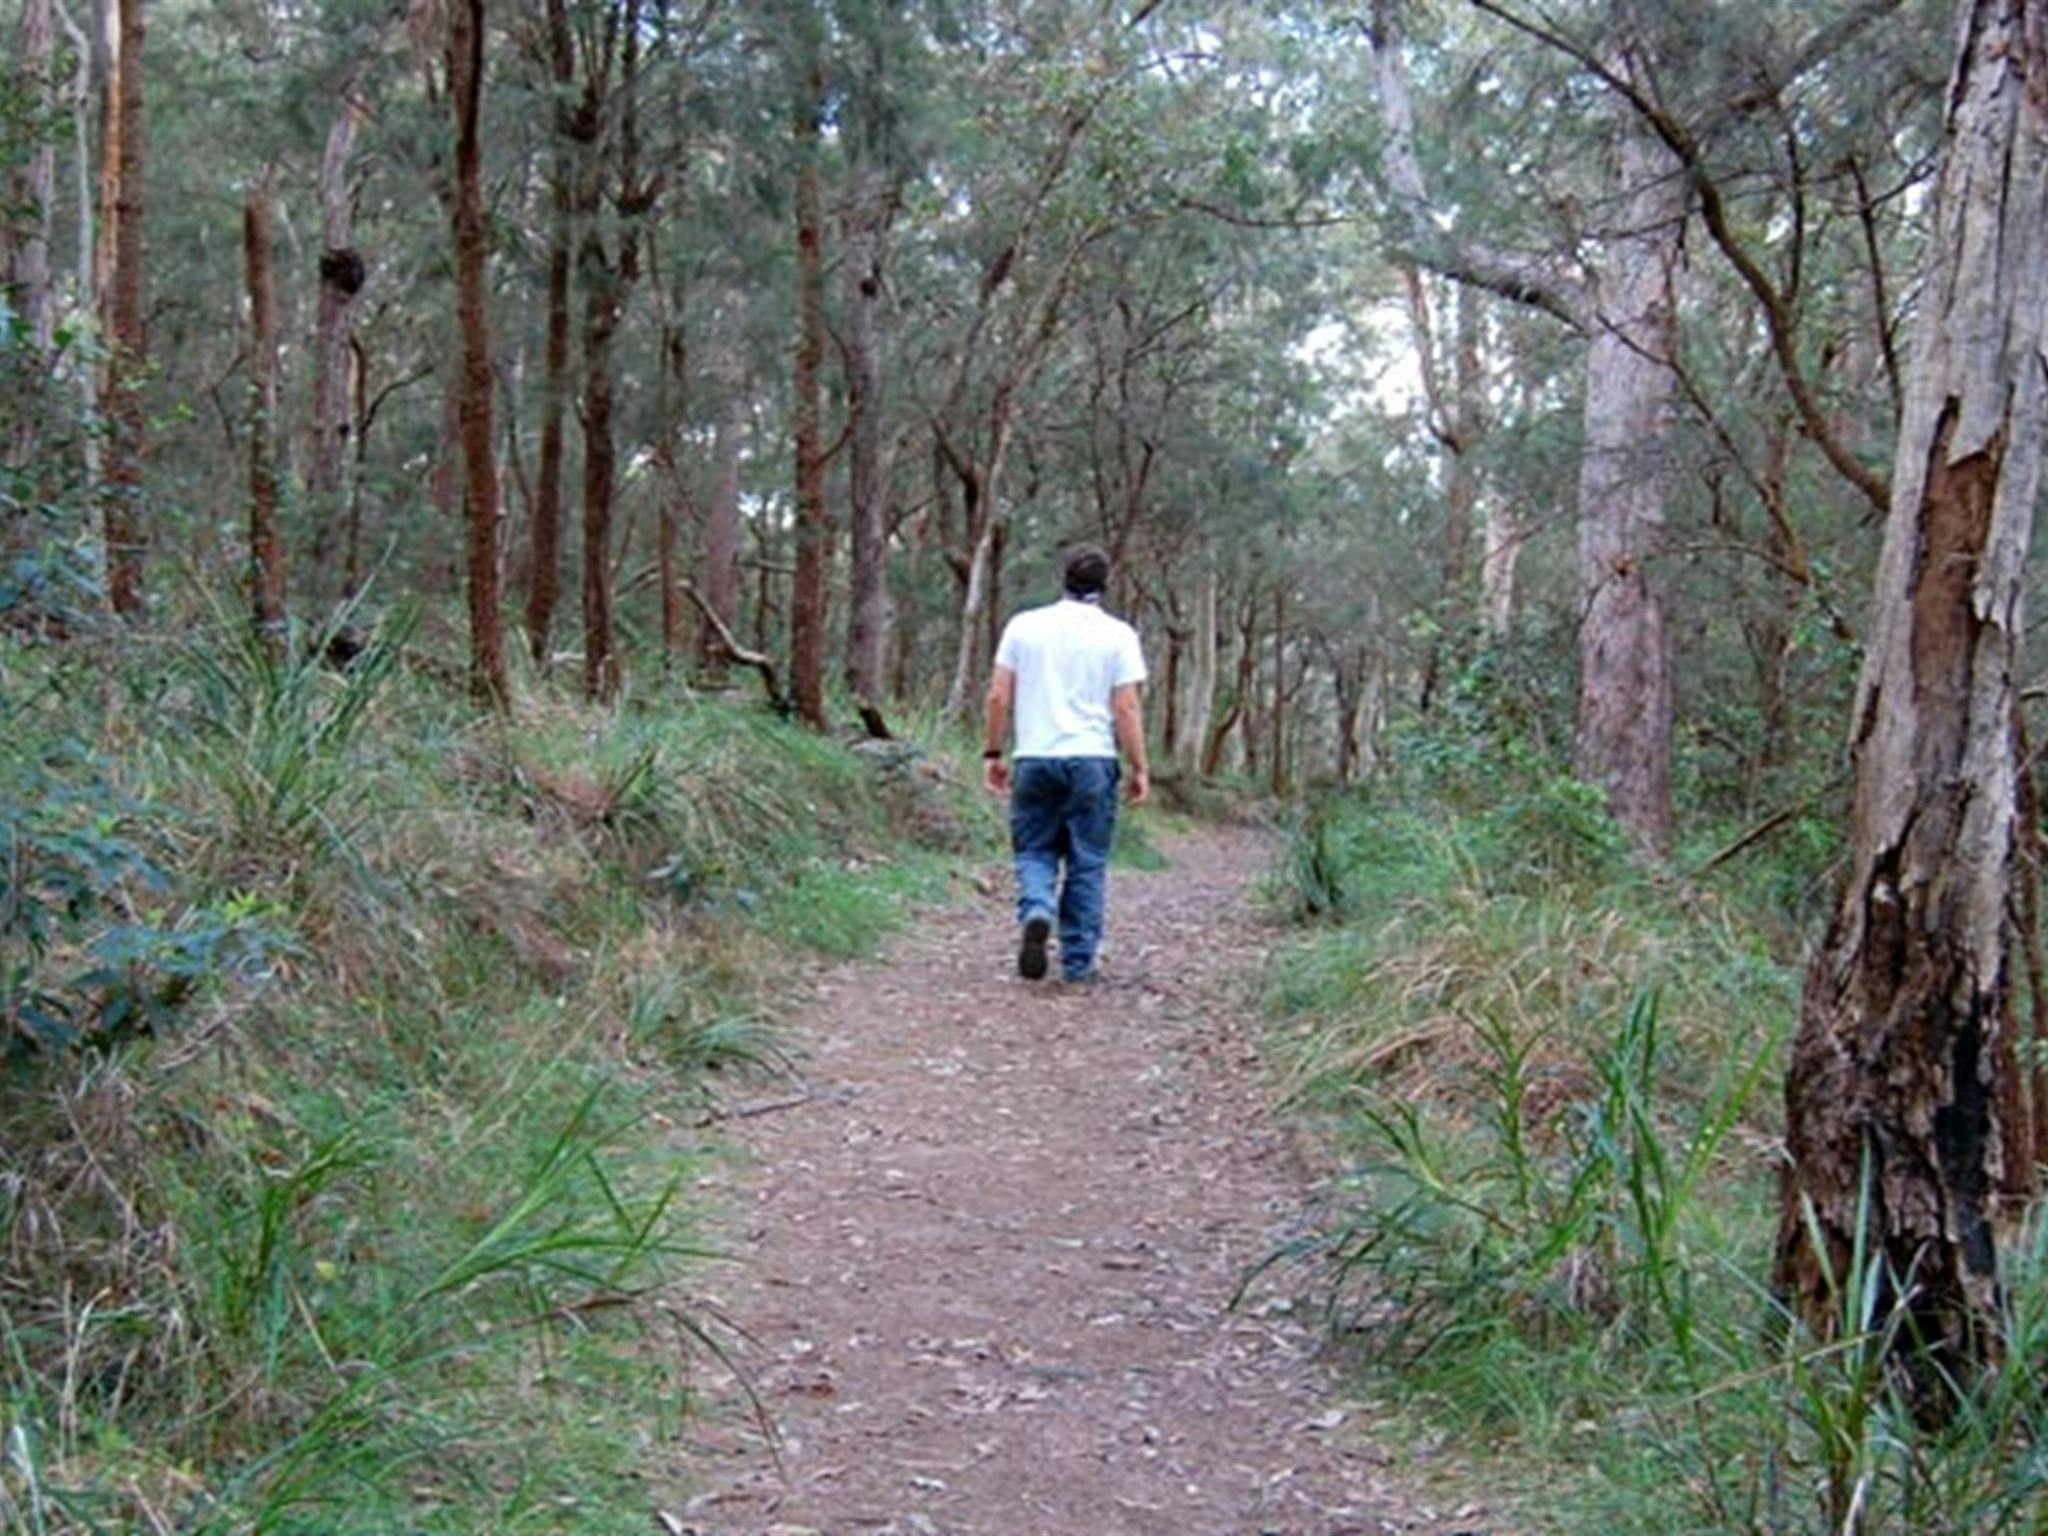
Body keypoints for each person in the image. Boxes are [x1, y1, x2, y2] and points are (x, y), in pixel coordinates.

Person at [982, 543, 1150, 983]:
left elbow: (998, 695)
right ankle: (1078, 962)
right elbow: (1126, 707)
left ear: (1064, 579)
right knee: (1087, 861)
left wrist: (993, 752)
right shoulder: (1119, 635)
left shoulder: (1024, 626)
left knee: (1034, 849)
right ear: (1104, 584)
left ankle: (1037, 908)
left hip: (1035, 757)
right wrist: (1139, 766)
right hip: (1093, 760)